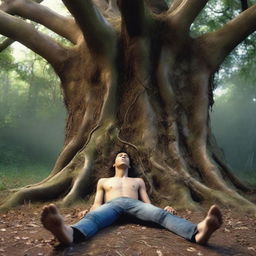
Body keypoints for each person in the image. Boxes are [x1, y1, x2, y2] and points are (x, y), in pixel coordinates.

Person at [41, 152, 222, 245]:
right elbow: (97, 202)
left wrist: (161, 212)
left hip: (136, 207)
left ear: (129, 163)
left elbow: (146, 203)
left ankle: (199, 231)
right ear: (114, 163)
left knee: (161, 216)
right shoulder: (104, 181)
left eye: (126, 155)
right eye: (120, 155)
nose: (123, 156)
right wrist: (90, 211)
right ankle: (67, 233)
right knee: (93, 219)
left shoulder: (138, 181)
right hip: (112, 206)